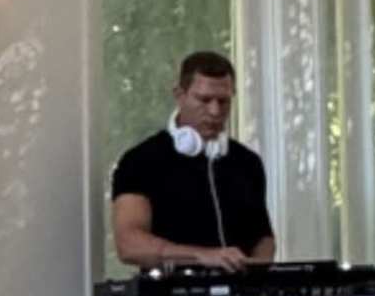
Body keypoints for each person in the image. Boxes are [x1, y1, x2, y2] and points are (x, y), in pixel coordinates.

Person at [108, 50, 276, 270]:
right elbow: (129, 244)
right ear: (180, 95)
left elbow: (263, 239)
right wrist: (201, 256)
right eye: (204, 100)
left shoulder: (247, 162)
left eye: (223, 101)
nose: (215, 111)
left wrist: (257, 274)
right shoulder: (140, 161)